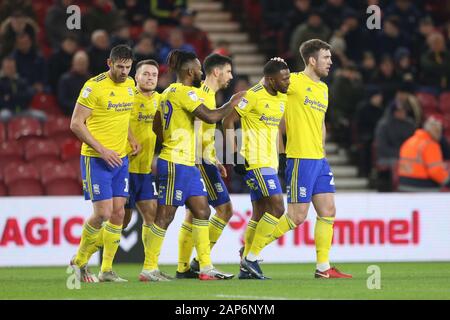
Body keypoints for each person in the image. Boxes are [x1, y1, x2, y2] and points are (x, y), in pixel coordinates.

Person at [145, 49, 245, 281]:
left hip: (188, 162)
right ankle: (149, 268)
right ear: (191, 71)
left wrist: (173, 137)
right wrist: (233, 101)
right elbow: (211, 117)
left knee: (202, 211)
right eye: (199, 68)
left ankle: (205, 268)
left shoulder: (168, 91)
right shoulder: (186, 93)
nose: (201, 71)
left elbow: (156, 125)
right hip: (176, 161)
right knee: (164, 216)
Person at [269, 39, 352, 279]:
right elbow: (267, 91)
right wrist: (280, 149)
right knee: (297, 216)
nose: (331, 62)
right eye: (326, 57)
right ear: (312, 60)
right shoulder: (292, 81)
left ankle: (323, 267)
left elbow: (321, 123)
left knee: (328, 210)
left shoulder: (323, 88)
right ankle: (251, 250)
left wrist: (323, 150)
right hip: (300, 157)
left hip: (318, 159)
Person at [69, 45, 140, 283]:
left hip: (121, 159)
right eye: (119, 66)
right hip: (96, 158)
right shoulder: (93, 87)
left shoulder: (130, 85)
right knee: (103, 213)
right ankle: (79, 263)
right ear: (109, 63)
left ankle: (106, 270)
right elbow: (76, 124)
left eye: (128, 67)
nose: (124, 71)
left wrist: (131, 138)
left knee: (119, 213)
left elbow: (123, 116)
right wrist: (102, 150)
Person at [223, 60, 290, 279]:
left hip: (270, 162)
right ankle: (251, 258)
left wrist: (281, 154)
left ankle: (245, 266)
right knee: (278, 208)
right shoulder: (253, 95)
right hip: (255, 161)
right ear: (271, 80)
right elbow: (228, 120)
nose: (288, 82)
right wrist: (234, 154)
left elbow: (275, 129)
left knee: (260, 212)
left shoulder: (281, 97)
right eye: (284, 79)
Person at [176, 53, 234, 279]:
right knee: (224, 210)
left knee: (192, 214)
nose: (231, 76)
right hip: (199, 161)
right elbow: (197, 136)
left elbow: (203, 136)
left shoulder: (207, 96)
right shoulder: (202, 97)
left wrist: (215, 159)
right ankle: (200, 262)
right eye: (228, 71)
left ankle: (184, 268)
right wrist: (205, 161)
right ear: (216, 72)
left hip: (203, 160)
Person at [398, 115, 450, 191]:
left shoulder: (409, 141)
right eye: (437, 130)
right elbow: (435, 171)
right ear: (432, 130)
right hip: (422, 186)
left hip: (403, 184)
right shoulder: (431, 145)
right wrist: (448, 181)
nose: (439, 134)